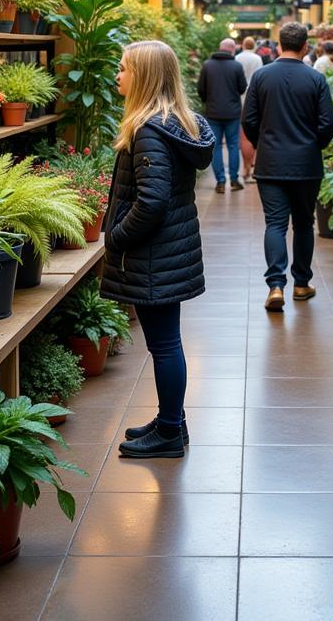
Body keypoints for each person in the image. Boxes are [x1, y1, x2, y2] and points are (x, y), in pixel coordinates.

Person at [102, 40, 215, 459]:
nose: (118, 75)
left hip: (154, 255)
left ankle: (169, 431)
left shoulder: (149, 130)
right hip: (169, 252)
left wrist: (116, 237)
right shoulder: (176, 123)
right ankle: (172, 420)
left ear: (144, 77)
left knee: (165, 344)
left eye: (124, 67)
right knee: (166, 342)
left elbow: (151, 202)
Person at [242, 21, 333, 312]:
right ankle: (301, 284)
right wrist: (312, 145)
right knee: (304, 223)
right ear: (306, 46)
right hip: (306, 165)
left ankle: (275, 287)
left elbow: (249, 120)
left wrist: (264, 144)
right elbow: (328, 123)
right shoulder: (315, 79)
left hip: (271, 164)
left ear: (279, 44)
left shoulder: (261, 77)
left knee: (275, 224)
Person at [197, 37, 247, 192]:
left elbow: (201, 89)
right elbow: (242, 88)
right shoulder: (236, 66)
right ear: (232, 49)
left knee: (216, 146)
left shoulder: (207, 65)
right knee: (233, 146)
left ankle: (220, 181)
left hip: (213, 113)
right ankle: (233, 179)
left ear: (219, 48)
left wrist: (208, 101)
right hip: (232, 113)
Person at [236, 37, 264, 182]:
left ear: (242, 45)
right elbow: (259, 78)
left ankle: (245, 167)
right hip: (254, 96)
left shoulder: (237, 58)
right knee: (255, 131)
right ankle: (253, 167)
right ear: (253, 46)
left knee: (243, 134)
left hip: (240, 98)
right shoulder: (257, 58)